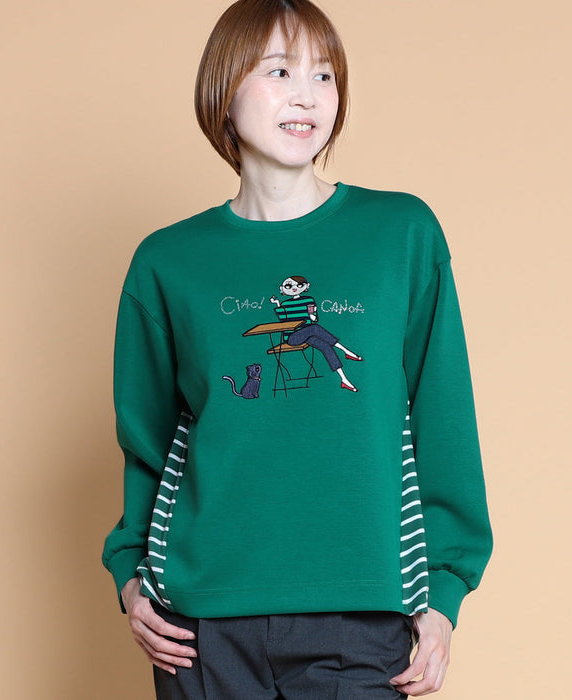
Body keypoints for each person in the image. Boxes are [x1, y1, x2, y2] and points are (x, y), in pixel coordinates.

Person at [102, 1, 493, 698]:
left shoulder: (399, 233)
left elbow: (444, 419)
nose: (307, 95)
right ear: (224, 91)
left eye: (324, 75)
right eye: (280, 71)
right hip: (200, 619)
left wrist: (442, 592)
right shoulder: (169, 261)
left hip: (362, 609)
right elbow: (147, 441)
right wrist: (132, 574)